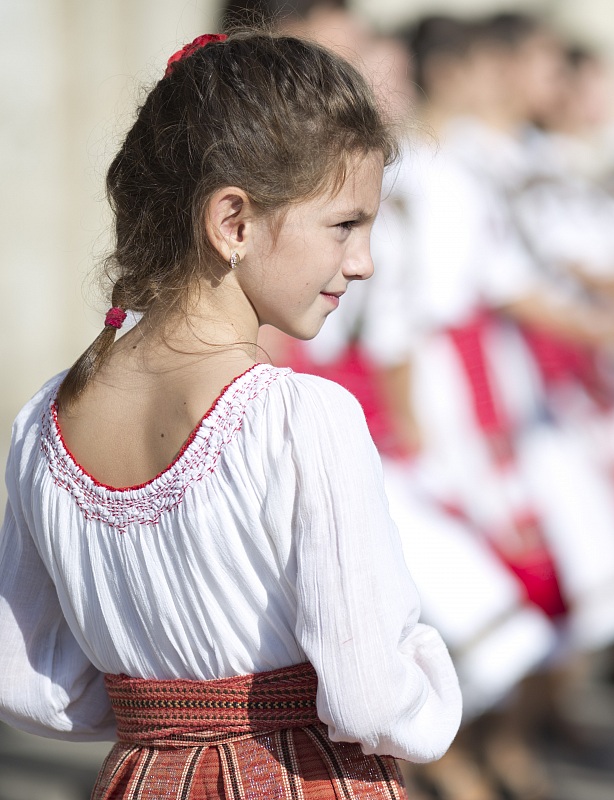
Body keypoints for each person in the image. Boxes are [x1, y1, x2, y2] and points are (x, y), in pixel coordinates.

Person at [0, 32, 462, 797]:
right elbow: (369, 695)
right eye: (345, 224)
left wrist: (164, 715)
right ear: (234, 223)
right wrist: (429, 689)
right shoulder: (299, 418)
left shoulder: (42, 423)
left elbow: (31, 682)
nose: (364, 261)